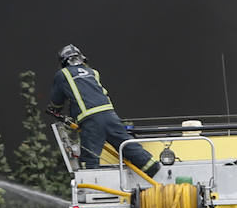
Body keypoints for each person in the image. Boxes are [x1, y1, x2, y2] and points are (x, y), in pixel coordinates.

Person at [48, 43, 159, 173]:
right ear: (81, 59)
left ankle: (91, 186)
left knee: (90, 157)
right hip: (110, 115)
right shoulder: (93, 72)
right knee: (126, 145)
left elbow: (57, 100)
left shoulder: (63, 74)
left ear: (64, 62)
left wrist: (55, 110)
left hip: (91, 120)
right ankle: (152, 168)